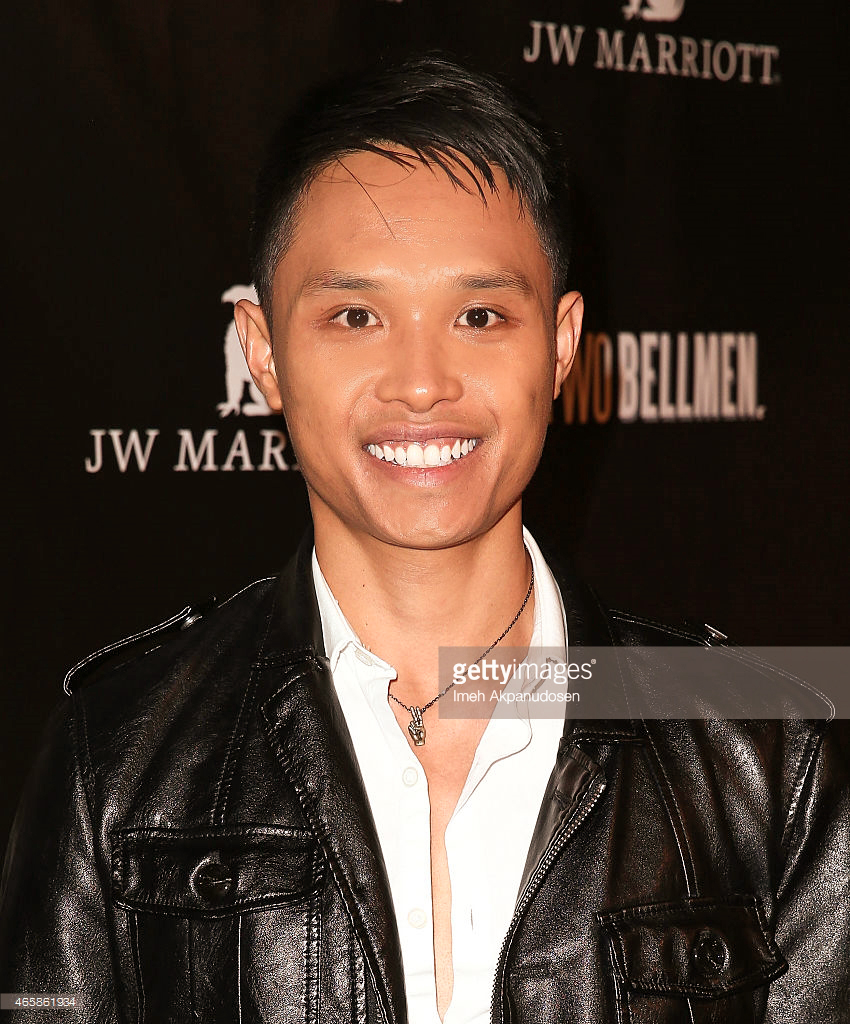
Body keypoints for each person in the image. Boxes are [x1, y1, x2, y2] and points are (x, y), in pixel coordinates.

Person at [1, 56, 848, 1023]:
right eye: (355, 316)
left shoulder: (771, 753)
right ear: (263, 351)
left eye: (479, 316)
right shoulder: (116, 759)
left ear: (563, 346)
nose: (420, 381)